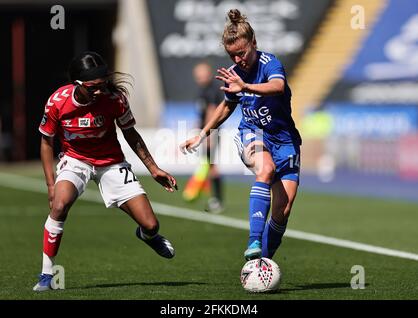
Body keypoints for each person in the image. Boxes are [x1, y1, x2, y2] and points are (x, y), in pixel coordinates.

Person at [33, 51, 177, 291]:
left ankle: (147, 236)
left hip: (111, 162)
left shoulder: (114, 99)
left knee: (151, 225)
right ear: (77, 84)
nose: (99, 91)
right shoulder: (58, 102)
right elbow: (46, 142)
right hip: (75, 160)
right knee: (59, 206)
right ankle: (47, 274)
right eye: (93, 87)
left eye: (102, 84)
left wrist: (153, 168)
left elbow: (130, 133)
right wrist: (51, 185)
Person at [180, 9, 302, 261]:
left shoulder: (271, 64)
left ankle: (262, 262)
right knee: (265, 169)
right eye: (231, 55)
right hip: (253, 132)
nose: (237, 59)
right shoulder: (234, 73)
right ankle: (253, 241)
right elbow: (227, 105)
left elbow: (278, 86)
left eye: (242, 52)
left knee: (283, 208)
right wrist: (202, 134)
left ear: (254, 43)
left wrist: (245, 86)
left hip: (285, 139)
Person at [182, 62, 225, 214]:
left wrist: (207, 135)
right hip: (204, 133)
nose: (199, 78)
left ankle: (217, 200)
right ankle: (211, 197)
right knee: (208, 165)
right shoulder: (203, 90)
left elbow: (212, 113)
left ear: (208, 74)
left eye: (201, 75)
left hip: (210, 134)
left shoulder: (212, 90)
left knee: (212, 166)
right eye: (197, 76)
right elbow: (201, 113)